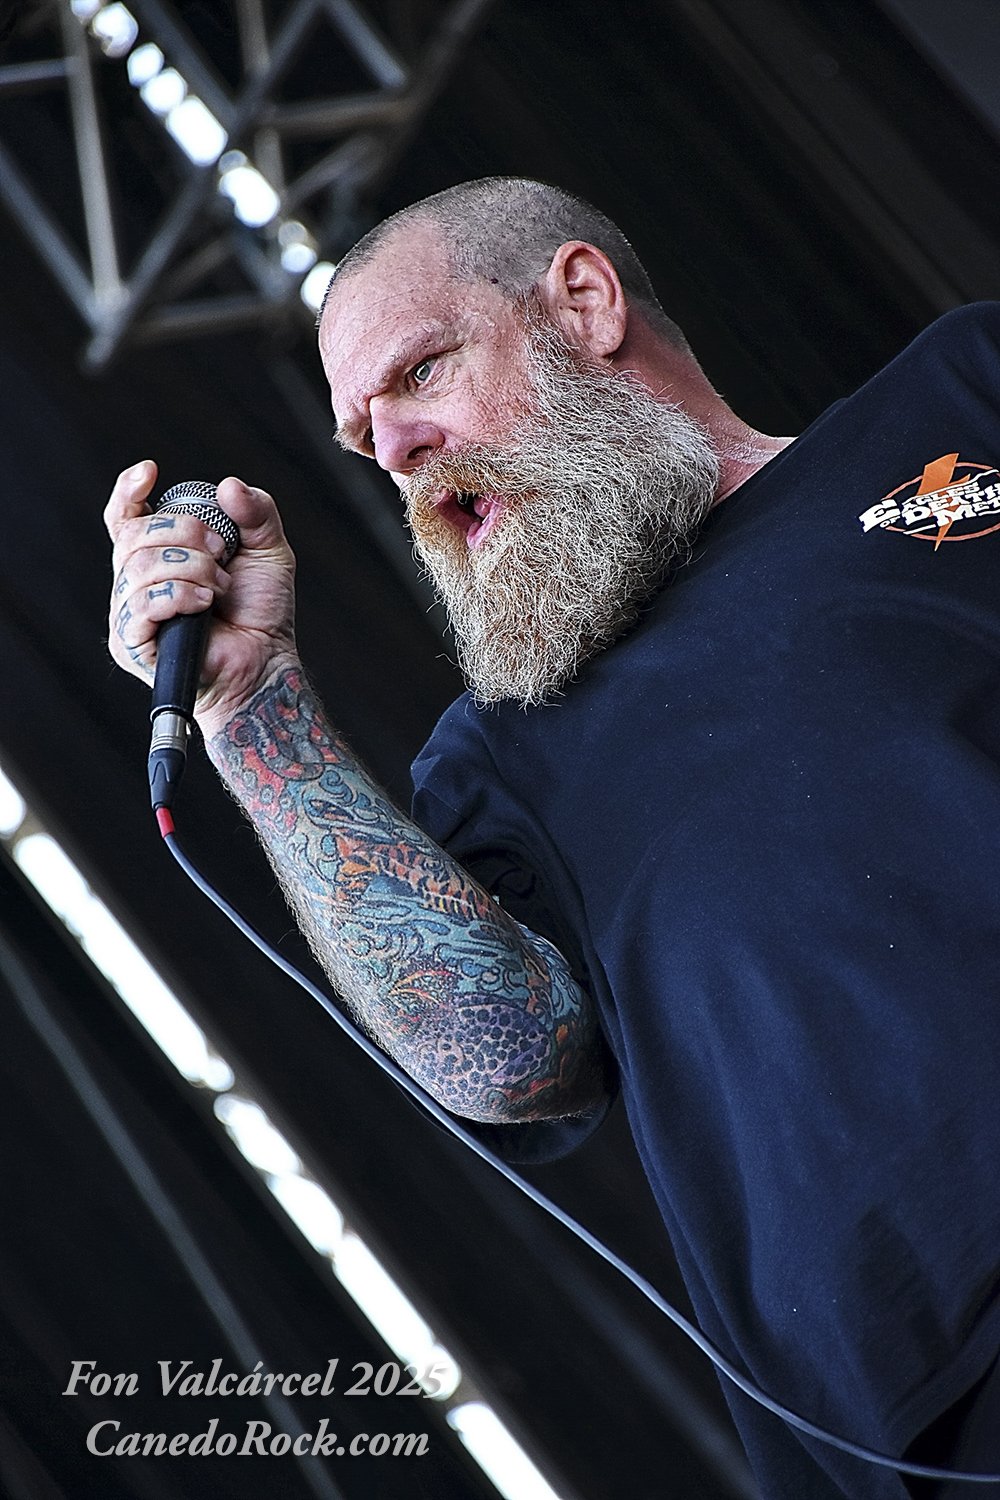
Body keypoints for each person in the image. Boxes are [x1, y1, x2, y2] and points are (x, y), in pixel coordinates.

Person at [104, 177, 1000, 1499]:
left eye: (421, 372)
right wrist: (254, 714)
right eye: (364, 437)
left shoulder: (960, 396)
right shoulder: (501, 754)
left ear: (582, 303)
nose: (397, 450)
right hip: (915, 1429)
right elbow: (512, 1062)